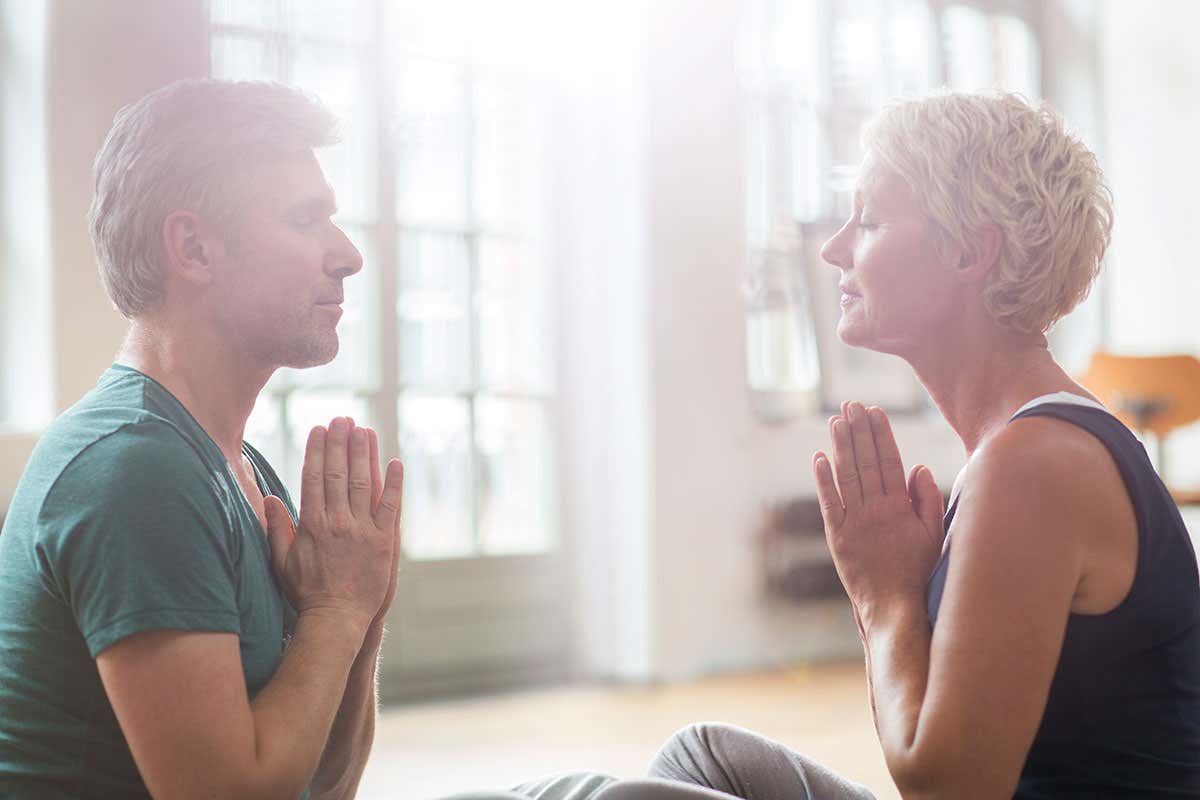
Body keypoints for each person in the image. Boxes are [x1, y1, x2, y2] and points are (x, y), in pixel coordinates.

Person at [496, 91, 1200, 800]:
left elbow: (950, 788)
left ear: (968, 250)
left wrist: (883, 597)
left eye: (869, 221)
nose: (833, 249)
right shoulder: (1028, 446)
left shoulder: (1033, 466)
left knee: (613, 798)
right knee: (703, 758)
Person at [0, 79, 404, 799]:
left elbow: (325, 787)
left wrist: (360, 610)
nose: (347, 256)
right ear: (193, 248)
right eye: (307, 221)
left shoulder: (241, 470)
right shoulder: (133, 470)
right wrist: (336, 611)